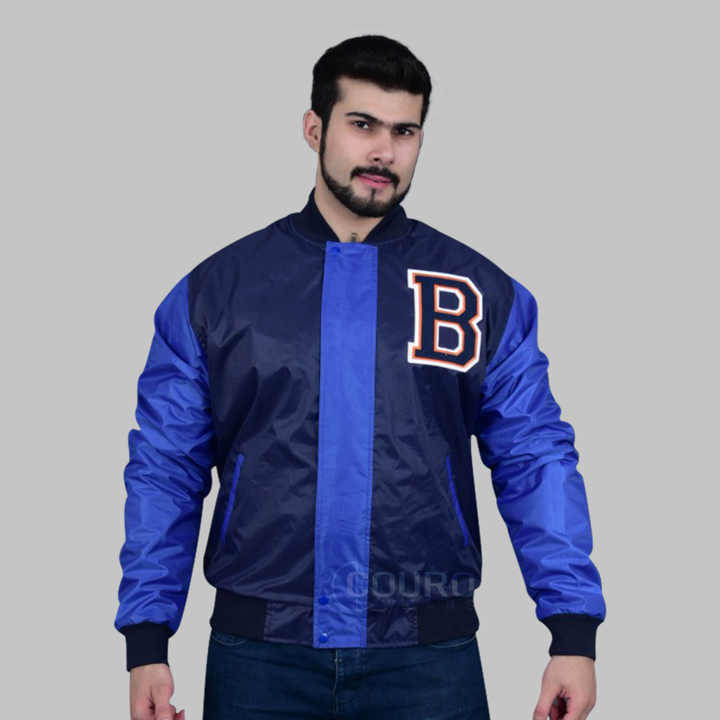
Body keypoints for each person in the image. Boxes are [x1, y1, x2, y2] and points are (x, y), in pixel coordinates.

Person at [114, 34, 606, 720]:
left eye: (405, 131)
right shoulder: (218, 291)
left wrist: (572, 632)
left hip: (428, 657)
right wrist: (147, 639)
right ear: (314, 129)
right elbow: (166, 468)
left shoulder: (477, 292)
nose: (384, 151)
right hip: (261, 656)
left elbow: (535, 457)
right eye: (363, 124)